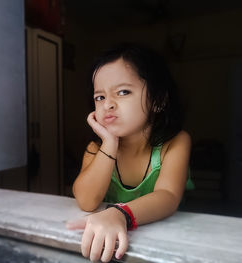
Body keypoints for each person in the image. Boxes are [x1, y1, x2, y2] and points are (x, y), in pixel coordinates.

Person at [66, 43, 193, 262]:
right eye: (100, 97)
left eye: (123, 92)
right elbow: (86, 202)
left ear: (158, 100)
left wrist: (119, 214)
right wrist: (109, 143)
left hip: (168, 247)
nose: (108, 105)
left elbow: (168, 196)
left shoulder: (176, 142)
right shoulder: (95, 149)